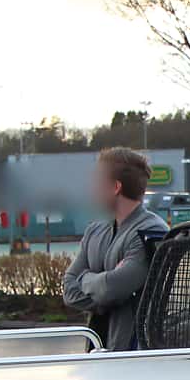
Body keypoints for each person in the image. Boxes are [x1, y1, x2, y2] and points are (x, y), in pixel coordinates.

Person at [63, 147, 169, 350]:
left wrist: (85, 278)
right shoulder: (95, 230)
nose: (92, 188)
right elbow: (69, 290)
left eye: (97, 181)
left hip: (131, 356)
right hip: (96, 352)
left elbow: (110, 289)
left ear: (115, 187)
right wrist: (105, 286)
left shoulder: (151, 232)